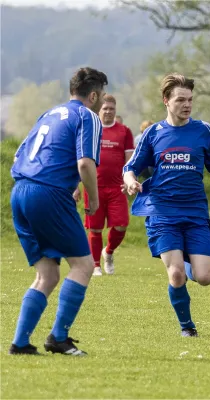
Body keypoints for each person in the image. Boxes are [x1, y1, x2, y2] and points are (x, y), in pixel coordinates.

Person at [9, 67, 107, 355]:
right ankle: (58, 338)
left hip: (21, 190)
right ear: (93, 95)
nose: (102, 101)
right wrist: (93, 197)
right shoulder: (87, 115)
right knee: (84, 265)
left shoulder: (49, 114)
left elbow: (20, 154)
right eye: (100, 96)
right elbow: (85, 164)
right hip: (48, 193)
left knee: (47, 274)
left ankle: (21, 343)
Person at [123, 73, 210, 337]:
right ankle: (187, 327)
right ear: (166, 101)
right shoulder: (153, 133)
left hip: (195, 213)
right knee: (177, 274)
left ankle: (186, 257)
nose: (187, 104)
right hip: (162, 212)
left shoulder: (203, 130)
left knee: (204, 277)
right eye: (181, 99)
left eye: (190, 99)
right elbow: (131, 166)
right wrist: (131, 181)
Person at [74, 94, 134, 276]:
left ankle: (108, 252)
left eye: (111, 109)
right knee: (95, 228)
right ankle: (96, 265)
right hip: (94, 187)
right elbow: (79, 160)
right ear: (99, 109)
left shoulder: (124, 131)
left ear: (115, 111)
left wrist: (129, 180)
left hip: (117, 188)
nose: (108, 112)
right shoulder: (89, 129)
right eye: (105, 108)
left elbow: (130, 159)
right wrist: (75, 185)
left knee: (122, 224)